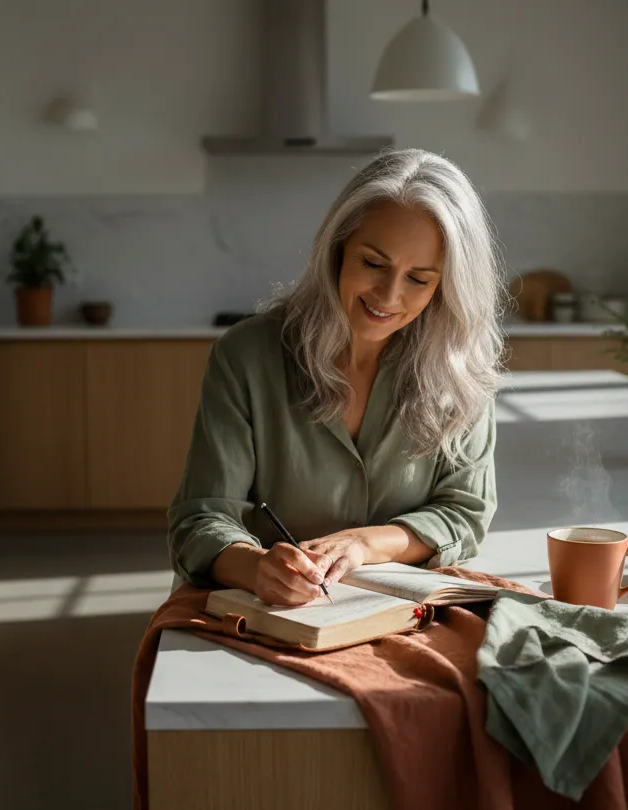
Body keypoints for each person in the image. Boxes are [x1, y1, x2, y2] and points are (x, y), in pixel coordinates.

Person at [168, 148, 504, 606]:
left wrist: (365, 545)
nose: (389, 295)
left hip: (402, 614)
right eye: (373, 263)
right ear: (338, 248)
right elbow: (201, 518)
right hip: (266, 614)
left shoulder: (459, 369)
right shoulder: (246, 355)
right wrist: (254, 567)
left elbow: (464, 513)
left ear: (447, 285)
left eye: (419, 279)